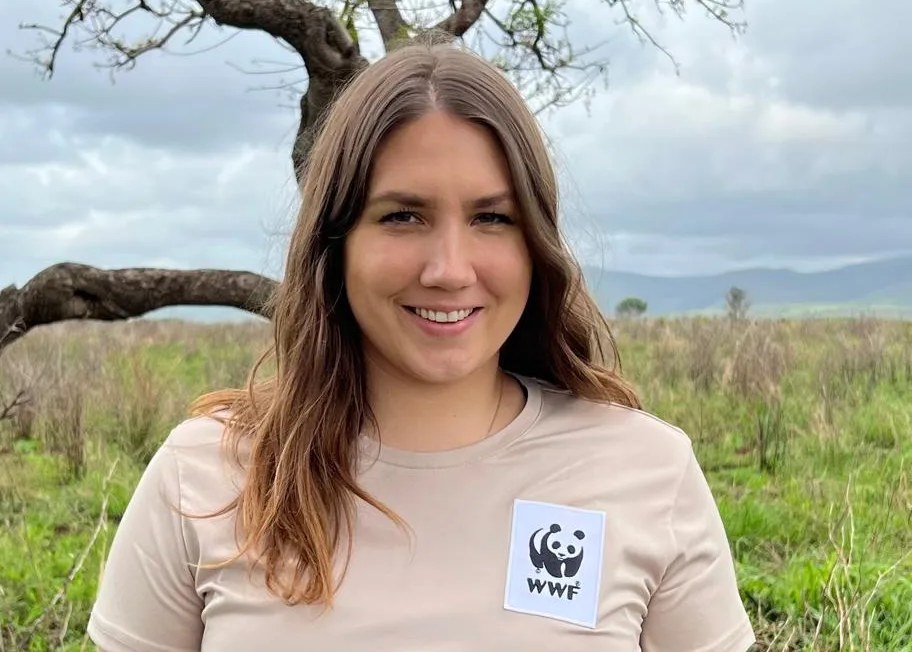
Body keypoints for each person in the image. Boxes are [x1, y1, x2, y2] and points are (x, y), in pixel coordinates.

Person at [88, 36, 756, 652]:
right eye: (403, 216)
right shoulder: (205, 475)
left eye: (492, 218)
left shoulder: (646, 471)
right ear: (335, 243)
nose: (449, 270)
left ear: (536, 245)